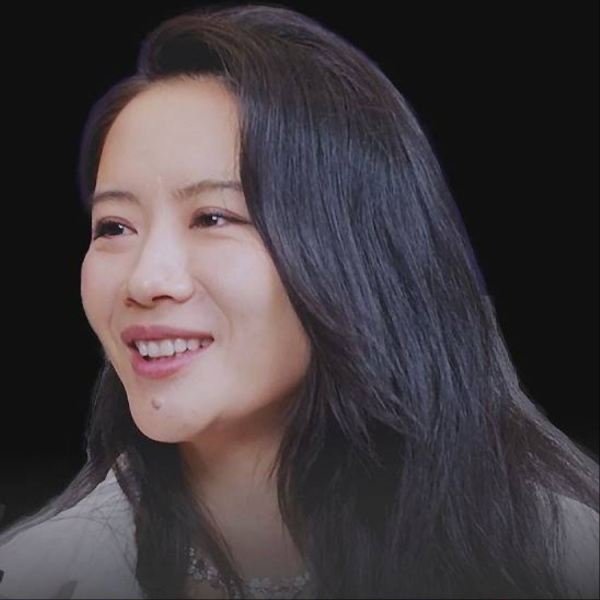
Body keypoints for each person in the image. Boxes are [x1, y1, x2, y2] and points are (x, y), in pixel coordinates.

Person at [0, 4, 598, 599]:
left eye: (212, 217)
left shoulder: (559, 560)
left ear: (358, 249)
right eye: (114, 227)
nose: (145, 279)